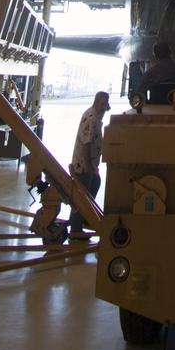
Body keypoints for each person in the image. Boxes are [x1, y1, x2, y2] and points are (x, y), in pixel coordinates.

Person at [68, 91, 110, 239]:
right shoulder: (92, 118)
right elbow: (87, 144)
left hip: (88, 163)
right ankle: (76, 228)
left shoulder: (95, 116)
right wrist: (90, 166)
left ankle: (85, 218)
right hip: (83, 165)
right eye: (102, 103)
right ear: (96, 102)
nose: (104, 107)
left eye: (105, 104)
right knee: (82, 196)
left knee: (94, 184)